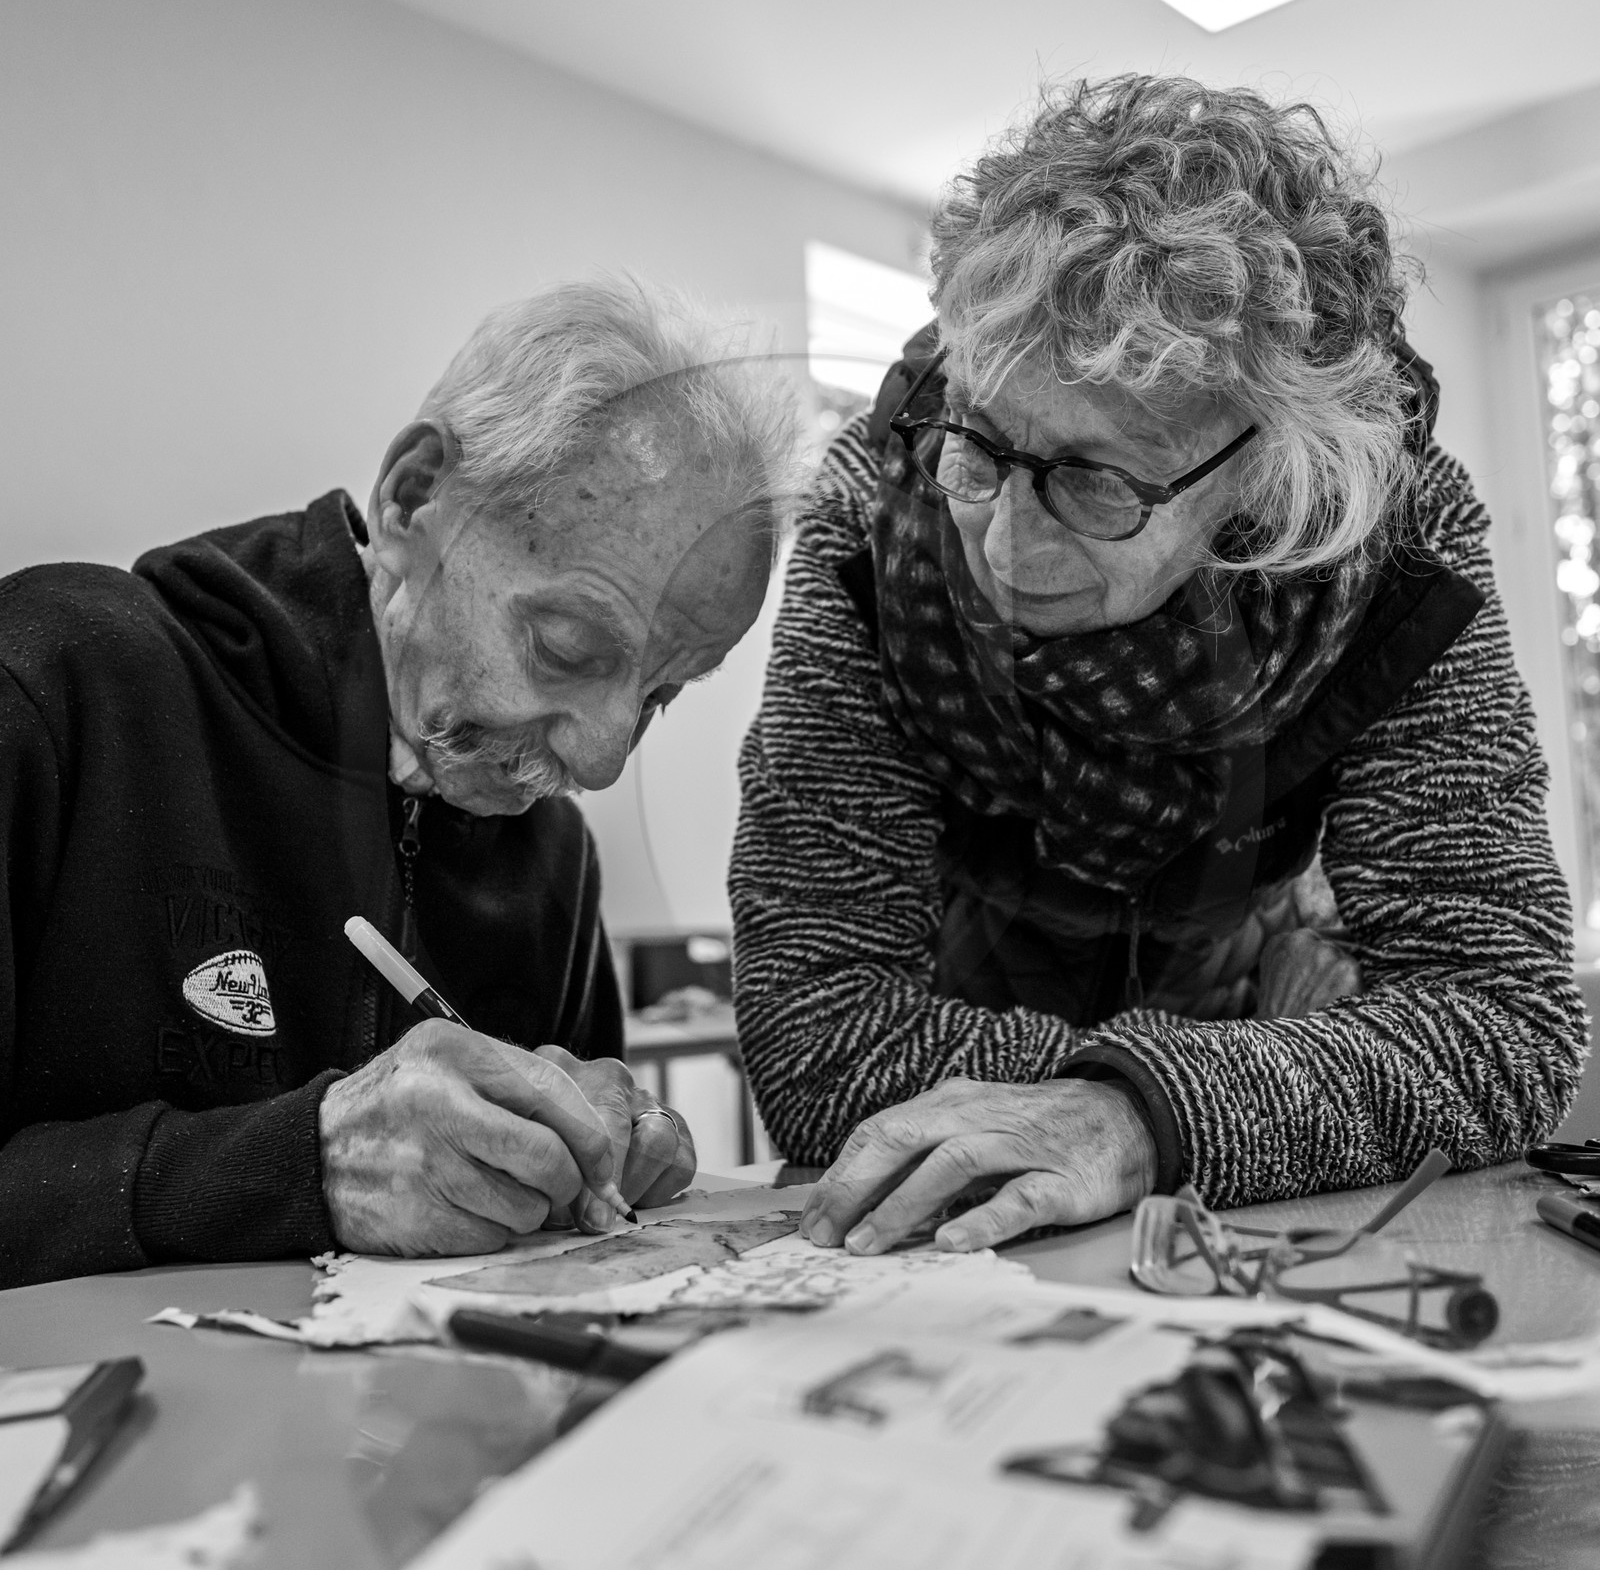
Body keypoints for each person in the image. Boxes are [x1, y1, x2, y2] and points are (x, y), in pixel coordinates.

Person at [730, 76, 1588, 1260]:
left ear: (1269, 466)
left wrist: (1145, 1107)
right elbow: (818, 1031)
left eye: (1097, 480)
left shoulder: (1400, 550)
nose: (1006, 549)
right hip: (968, 1140)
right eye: (978, 445)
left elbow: (1500, 1020)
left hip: (1242, 1055)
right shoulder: (867, 527)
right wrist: (1231, 1090)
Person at [0, 278, 797, 1287]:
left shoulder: (550, 857)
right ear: (414, 494)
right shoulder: (56, 687)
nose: (600, 762)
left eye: (661, 695)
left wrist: (599, 1141)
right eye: (565, 647)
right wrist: (301, 1163)